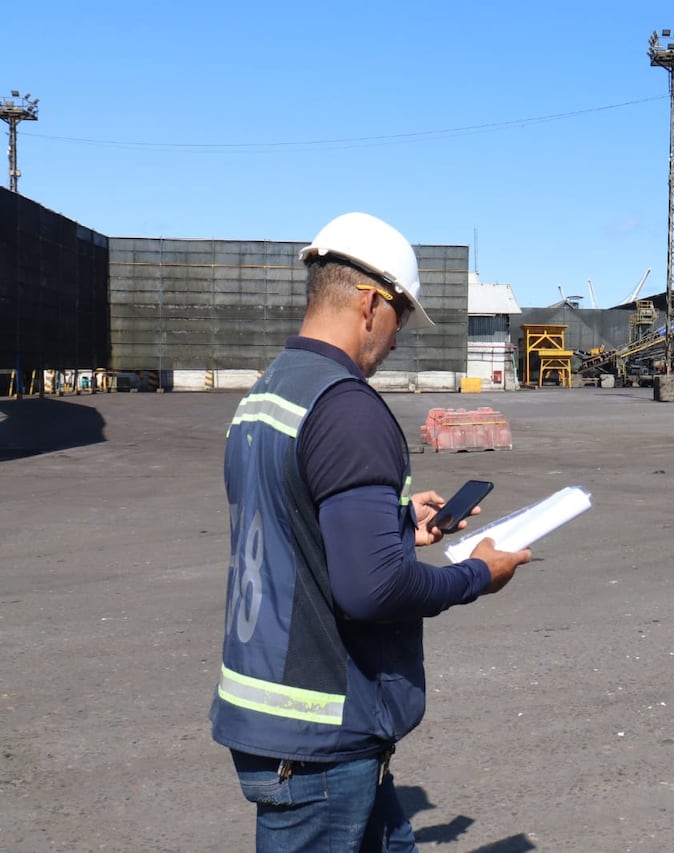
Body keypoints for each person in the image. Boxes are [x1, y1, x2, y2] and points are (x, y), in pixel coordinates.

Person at [210, 211, 531, 851]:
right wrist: (477, 575)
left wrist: (394, 526)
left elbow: (291, 522)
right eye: (400, 317)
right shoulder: (347, 407)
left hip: (280, 715)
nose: (396, 338)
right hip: (318, 732)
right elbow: (372, 590)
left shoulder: (270, 392)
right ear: (370, 303)